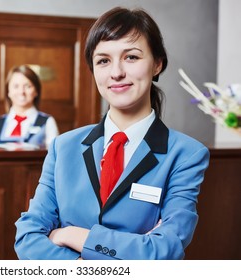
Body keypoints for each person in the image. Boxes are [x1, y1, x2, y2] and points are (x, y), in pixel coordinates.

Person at [14, 7, 210, 260]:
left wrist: (71, 235)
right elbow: (27, 237)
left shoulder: (186, 154)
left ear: (157, 64)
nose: (116, 72)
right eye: (103, 61)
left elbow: (164, 251)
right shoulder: (63, 147)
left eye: (131, 57)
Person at [0, 65, 59, 149]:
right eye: (16, 86)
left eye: (28, 86)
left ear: (36, 91)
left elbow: (54, 157)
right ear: (8, 91)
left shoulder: (47, 122)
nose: (21, 92)